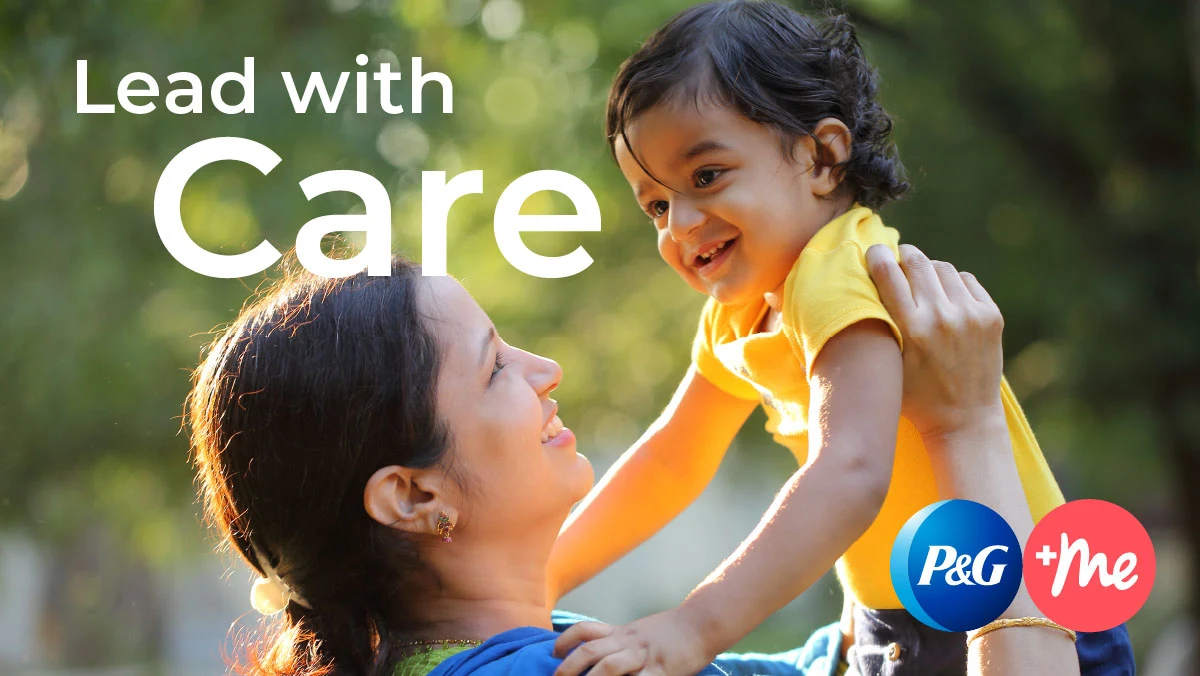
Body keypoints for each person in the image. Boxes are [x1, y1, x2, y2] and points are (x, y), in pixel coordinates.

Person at [188, 243, 1104, 676]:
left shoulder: (538, 649)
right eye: (496, 367)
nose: (547, 373)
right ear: (414, 494)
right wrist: (965, 428)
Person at [545, 3, 1130, 674]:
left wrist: (695, 626)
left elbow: (850, 472)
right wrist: (542, 577)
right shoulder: (742, 311)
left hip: (1025, 621)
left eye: (706, 177)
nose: (678, 222)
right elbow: (672, 459)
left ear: (822, 157)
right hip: (906, 622)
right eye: (654, 203)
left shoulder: (842, 274)